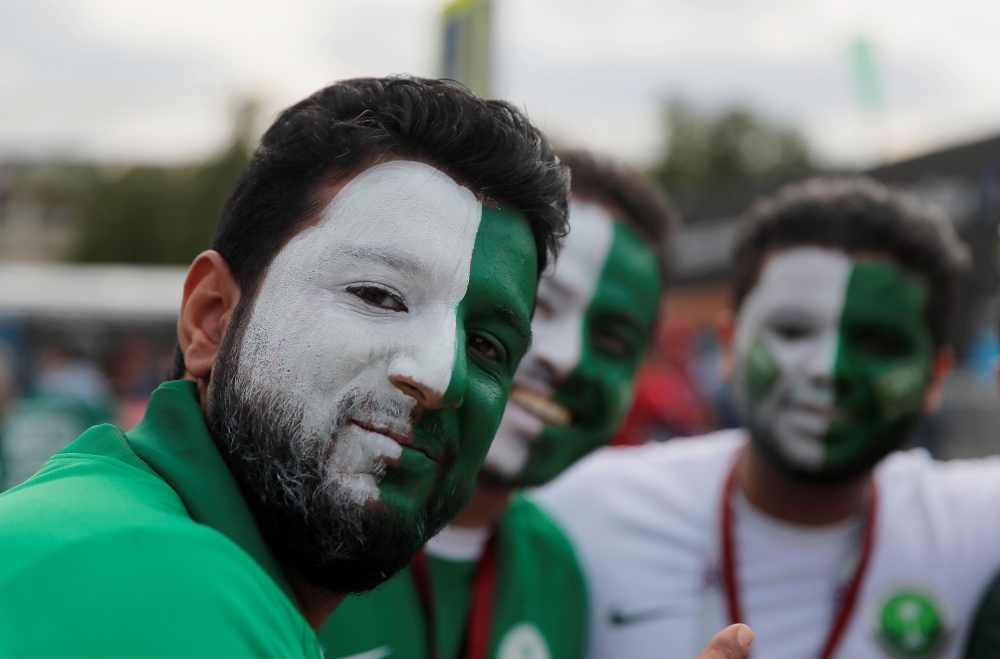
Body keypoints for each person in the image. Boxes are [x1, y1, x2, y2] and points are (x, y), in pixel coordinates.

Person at [0, 76, 568, 658]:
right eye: (378, 295)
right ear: (212, 319)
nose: (439, 374)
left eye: (486, 346)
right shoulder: (164, 597)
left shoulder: (117, 540)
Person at [535, 177, 1000, 659]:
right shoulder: (580, 511)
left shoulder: (973, 527)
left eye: (878, 342)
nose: (828, 370)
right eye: (794, 330)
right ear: (730, 344)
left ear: (936, 378)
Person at [316, 150, 674, 659]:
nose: (569, 359)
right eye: (541, 304)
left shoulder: (558, 570)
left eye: (614, 341)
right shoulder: (302, 515)